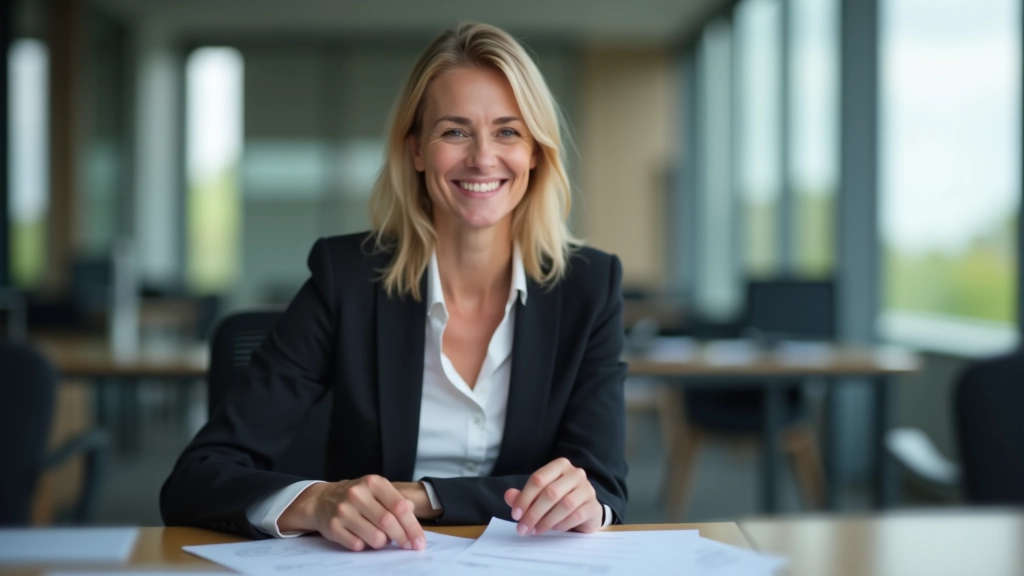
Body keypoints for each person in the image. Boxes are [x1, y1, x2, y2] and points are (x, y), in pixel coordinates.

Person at [161, 22, 628, 552]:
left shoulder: (589, 287)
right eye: (454, 132)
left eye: (508, 132)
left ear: (536, 152)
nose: (482, 157)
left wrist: (423, 497)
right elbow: (197, 478)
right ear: (416, 150)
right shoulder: (347, 280)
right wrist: (317, 501)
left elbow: (602, 488)